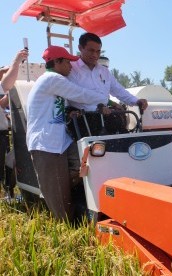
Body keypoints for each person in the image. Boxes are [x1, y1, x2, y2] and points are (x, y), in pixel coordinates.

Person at [26, 46, 109, 221]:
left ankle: (72, 203)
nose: (72, 66)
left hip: (59, 141)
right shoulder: (52, 79)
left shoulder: (52, 83)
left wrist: (70, 112)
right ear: (57, 62)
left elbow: (58, 107)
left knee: (82, 164)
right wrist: (106, 100)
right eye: (68, 62)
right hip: (46, 143)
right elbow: (81, 94)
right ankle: (66, 229)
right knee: (59, 196)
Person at [67, 32, 148, 114]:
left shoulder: (104, 71)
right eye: (91, 50)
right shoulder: (70, 69)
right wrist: (98, 108)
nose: (95, 55)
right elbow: (75, 96)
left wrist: (136, 101)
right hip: (82, 120)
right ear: (80, 48)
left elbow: (119, 90)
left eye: (98, 51)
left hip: (105, 119)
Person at [0, 50, 29, 198]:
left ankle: (8, 192)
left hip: (3, 135)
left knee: (8, 162)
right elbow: (6, 83)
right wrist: (16, 62)